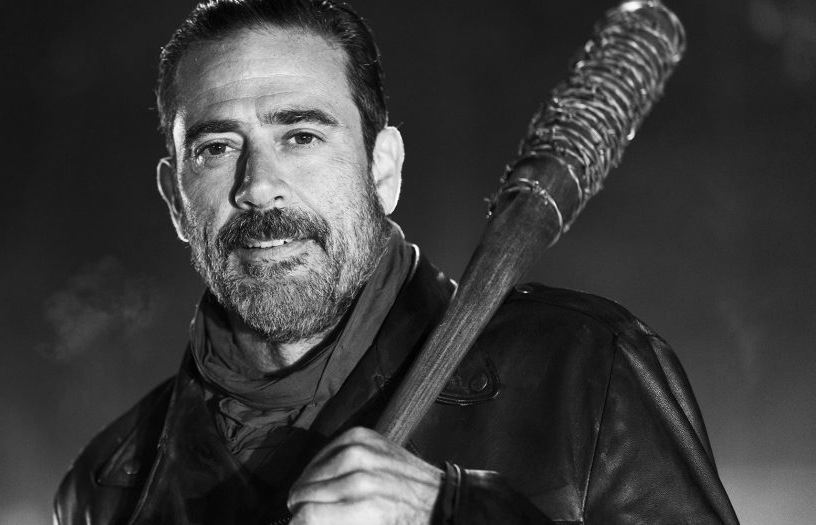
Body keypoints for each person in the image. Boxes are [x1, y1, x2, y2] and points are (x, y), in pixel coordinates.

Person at [54, 0, 739, 523]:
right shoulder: (106, 490)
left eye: (300, 135)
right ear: (176, 199)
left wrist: (452, 513)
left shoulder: (585, 372)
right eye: (216, 148)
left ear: (382, 170)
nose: (258, 185)